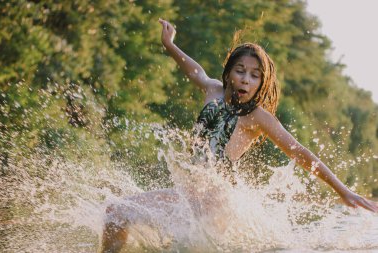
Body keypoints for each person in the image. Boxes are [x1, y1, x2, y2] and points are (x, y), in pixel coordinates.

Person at [100, 19, 378, 253]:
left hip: (214, 203)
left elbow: (300, 152)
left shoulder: (258, 117)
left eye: (255, 75)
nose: (246, 79)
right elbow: (193, 70)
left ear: (262, 83)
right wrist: (170, 45)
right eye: (240, 71)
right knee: (115, 212)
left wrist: (343, 191)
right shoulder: (213, 91)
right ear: (229, 73)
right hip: (187, 196)